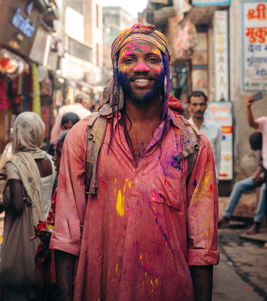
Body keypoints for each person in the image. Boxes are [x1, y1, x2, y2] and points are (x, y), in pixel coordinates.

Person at [50, 23, 219, 301]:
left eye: (152, 59)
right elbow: (66, 237)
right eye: (130, 59)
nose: (141, 67)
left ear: (165, 68)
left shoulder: (193, 145)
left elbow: (202, 248)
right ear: (116, 69)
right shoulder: (85, 138)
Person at [0, 112, 56, 300]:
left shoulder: (15, 162)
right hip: (46, 231)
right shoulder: (50, 160)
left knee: (17, 285)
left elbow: (16, 205)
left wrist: (2, 202)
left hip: (25, 235)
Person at [33, 130, 69, 301]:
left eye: (59, 155)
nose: (54, 159)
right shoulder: (61, 185)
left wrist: (51, 232)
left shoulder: (74, 191)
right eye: (55, 154)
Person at [218, 132, 266, 234]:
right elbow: (261, 167)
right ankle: (226, 217)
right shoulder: (260, 151)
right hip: (262, 177)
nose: (258, 150)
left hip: (265, 180)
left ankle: (256, 224)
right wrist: (255, 176)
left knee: (264, 189)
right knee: (238, 185)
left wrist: (262, 179)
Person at [187, 91, 221, 182]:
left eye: (201, 104)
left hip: (209, 179)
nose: (198, 108)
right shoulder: (183, 129)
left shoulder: (215, 128)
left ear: (206, 106)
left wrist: (216, 177)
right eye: (195, 104)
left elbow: (217, 156)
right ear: (188, 106)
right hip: (188, 180)